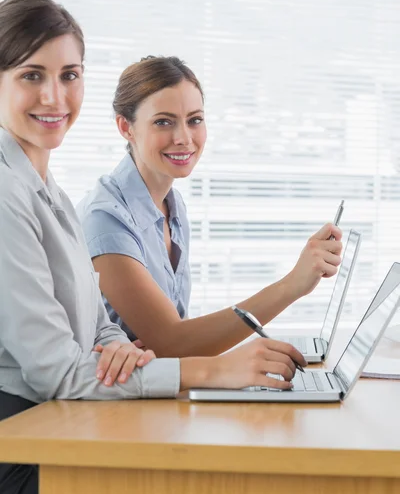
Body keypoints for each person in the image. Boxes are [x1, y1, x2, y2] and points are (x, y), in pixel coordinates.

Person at [0, 0, 309, 494]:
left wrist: (119, 349)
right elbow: (58, 370)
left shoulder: (49, 189)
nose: (55, 97)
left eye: (70, 76)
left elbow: (97, 324)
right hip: (26, 444)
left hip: (63, 423)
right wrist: (216, 371)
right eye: (31, 76)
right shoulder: (15, 196)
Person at [77, 55, 343, 359]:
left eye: (195, 120)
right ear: (126, 127)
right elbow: (172, 343)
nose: (184, 138)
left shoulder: (172, 208)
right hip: (113, 403)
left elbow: (175, 345)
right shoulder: (105, 218)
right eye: (163, 122)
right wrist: (291, 285)